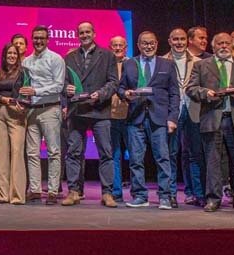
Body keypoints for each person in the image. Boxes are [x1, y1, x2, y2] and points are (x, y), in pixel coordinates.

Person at [186, 32, 234, 214]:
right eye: (219, 43)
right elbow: (191, 89)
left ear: (232, 46)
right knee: (212, 162)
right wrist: (206, 93)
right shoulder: (201, 65)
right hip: (212, 119)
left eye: (227, 43)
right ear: (213, 46)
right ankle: (213, 198)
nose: (224, 46)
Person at [118, 31, 179, 209]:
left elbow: (175, 93)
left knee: (162, 158)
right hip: (135, 117)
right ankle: (139, 196)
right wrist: (125, 94)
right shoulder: (130, 63)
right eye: (144, 43)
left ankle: (165, 196)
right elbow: (121, 87)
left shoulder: (167, 64)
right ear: (138, 45)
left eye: (151, 43)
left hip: (159, 118)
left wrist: (172, 117)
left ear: (157, 44)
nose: (148, 46)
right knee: (136, 159)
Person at [61, 22, 117, 207]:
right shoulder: (69, 57)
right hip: (77, 111)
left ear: (94, 33)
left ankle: (107, 193)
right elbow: (63, 84)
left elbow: (113, 82)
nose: (84, 35)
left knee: (106, 153)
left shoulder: (107, 55)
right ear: (77, 35)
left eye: (87, 32)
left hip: (99, 110)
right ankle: (73, 191)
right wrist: (66, 89)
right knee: (73, 153)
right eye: (81, 32)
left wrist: (101, 94)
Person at [20, 26, 65, 205]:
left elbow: (59, 86)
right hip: (31, 110)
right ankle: (36, 189)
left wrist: (36, 90)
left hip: (50, 109)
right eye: (36, 38)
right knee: (32, 153)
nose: (38, 41)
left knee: (54, 152)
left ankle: (53, 191)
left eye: (42, 38)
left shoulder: (56, 59)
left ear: (48, 40)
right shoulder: (26, 62)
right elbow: (23, 86)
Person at [163, 28, 205, 207]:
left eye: (182, 39)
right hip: (172, 112)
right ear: (169, 41)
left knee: (195, 154)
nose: (179, 42)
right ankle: (171, 194)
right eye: (175, 39)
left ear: (187, 41)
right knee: (171, 154)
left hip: (193, 110)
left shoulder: (199, 62)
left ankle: (197, 193)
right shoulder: (162, 62)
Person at [0, 43, 27, 205]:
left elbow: (27, 91)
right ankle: (2, 194)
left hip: (17, 113)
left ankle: (17, 196)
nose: (11, 56)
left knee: (17, 153)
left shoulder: (24, 73)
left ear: (18, 56)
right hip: (0, 113)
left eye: (14, 53)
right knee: (1, 154)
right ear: (4, 56)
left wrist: (20, 103)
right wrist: (4, 99)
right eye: (8, 53)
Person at [108, 35, 129, 202]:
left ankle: (137, 191)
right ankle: (116, 191)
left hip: (131, 115)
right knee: (114, 154)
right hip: (110, 115)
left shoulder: (133, 64)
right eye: (114, 45)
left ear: (126, 47)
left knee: (135, 155)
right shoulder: (106, 64)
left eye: (120, 45)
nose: (117, 48)